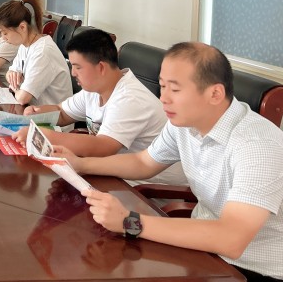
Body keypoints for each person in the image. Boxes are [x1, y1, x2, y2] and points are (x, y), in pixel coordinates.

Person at [57, 42, 283, 282]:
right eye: (162, 86)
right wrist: (80, 165)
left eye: (174, 89)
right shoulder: (185, 123)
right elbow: (144, 162)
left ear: (215, 94)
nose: (163, 98)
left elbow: (231, 239)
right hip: (201, 249)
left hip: (251, 268)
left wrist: (128, 221)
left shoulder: (257, 146)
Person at [11, 28, 185, 185]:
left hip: (145, 189)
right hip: (113, 174)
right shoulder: (94, 90)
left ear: (101, 67)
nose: (73, 73)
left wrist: (45, 135)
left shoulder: (129, 98)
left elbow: (103, 147)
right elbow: (62, 113)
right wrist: (37, 114)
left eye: (78, 67)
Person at [0, 0, 71, 106]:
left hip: (52, 115)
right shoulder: (24, 45)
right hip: (33, 109)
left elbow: (23, 98)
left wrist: (15, 88)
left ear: (22, 27)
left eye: (5, 33)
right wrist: (11, 75)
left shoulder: (43, 52)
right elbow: (10, 73)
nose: (3, 38)